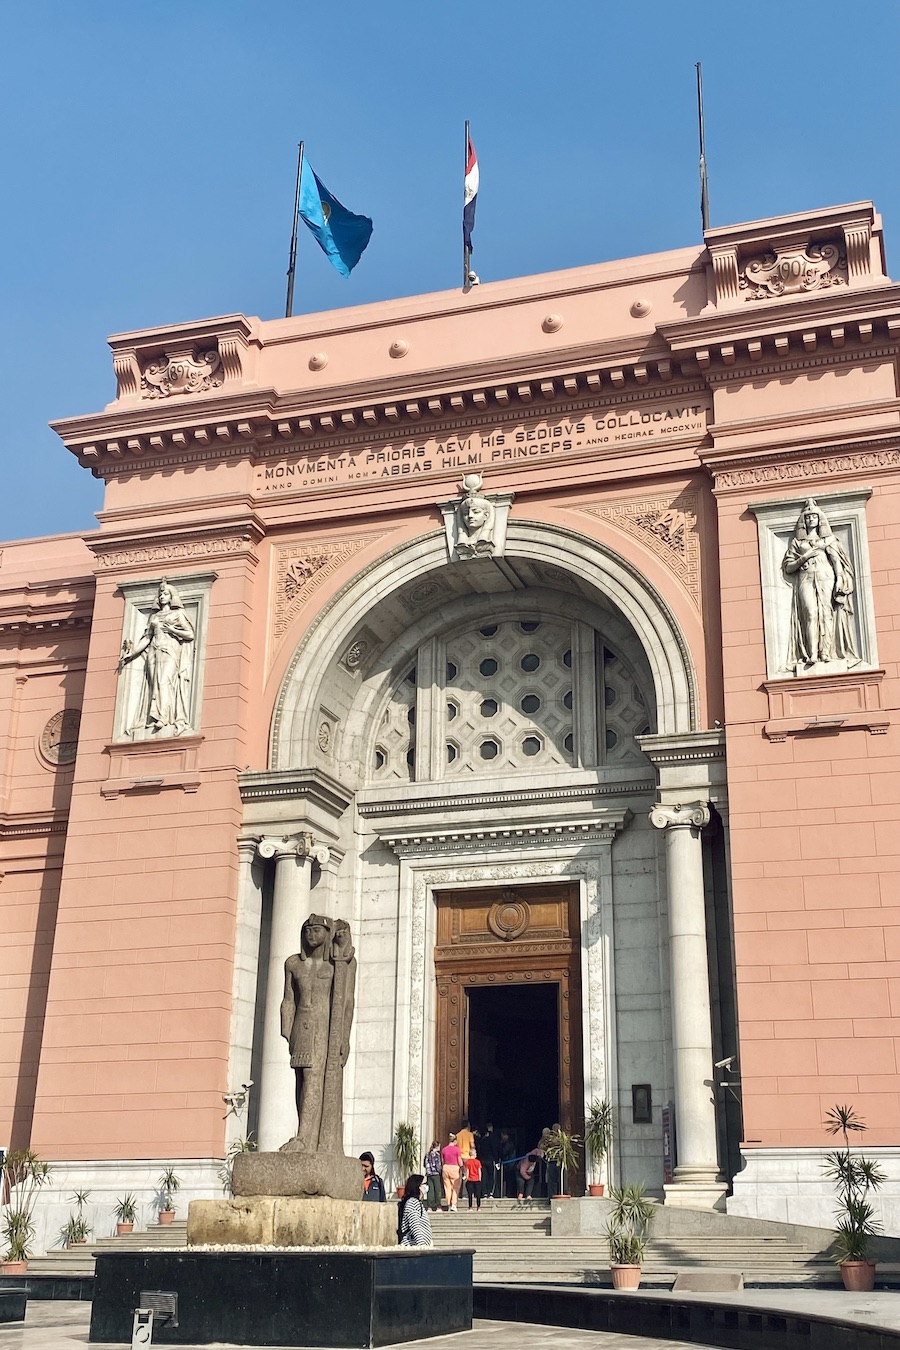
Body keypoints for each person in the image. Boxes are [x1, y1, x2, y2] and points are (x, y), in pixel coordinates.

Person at [281, 915, 356, 1151]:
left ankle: (303, 1138)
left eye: (317, 931)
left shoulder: (337, 966)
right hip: (301, 1026)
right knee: (301, 1079)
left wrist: (344, 1036)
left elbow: (346, 1002)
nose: (311, 936)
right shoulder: (293, 964)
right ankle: (305, 1133)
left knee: (314, 1076)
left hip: (324, 1028)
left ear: (327, 934)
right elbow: (288, 1000)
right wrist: (286, 1031)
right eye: (307, 931)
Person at [782, 498, 857, 668]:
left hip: (826, 576)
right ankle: (812, 653)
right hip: (805, 578)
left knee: (826, 612)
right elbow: (789, 567)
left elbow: (836, 561)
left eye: (814, 517)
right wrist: (805, 557)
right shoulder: (797, 543)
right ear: (804, 520)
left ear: (819, 519)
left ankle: (826, 651)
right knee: (810, 613)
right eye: (807, 517)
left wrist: (839, 579)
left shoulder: (829, 540)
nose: (810, 520)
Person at [117, 578, 195, 737]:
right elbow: (146, 638)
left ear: (172, 596)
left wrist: (173, 630)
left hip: (170, 650)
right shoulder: (154, 617)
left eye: (165, 593)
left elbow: (190, 634)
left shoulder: (177, 614)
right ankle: (153, 717)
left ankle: (164, 717)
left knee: (164, 682)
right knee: (154, 685)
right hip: (154, 651)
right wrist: (132, 653)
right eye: (160, 594)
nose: (162, 596)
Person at [397, 1174, 433, 1246]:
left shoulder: (417, 1202)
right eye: (424, 1184)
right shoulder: (412, 1202)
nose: (426, 1186)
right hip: (413, 1246)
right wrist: (422, 1245)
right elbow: (415, 1225)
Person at [476, 1122, 500, 1200]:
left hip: (482, 1160)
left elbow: (479, 1150)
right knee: (491, 1177)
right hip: (490, 1160)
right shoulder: (493, 1138)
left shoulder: (481, 1139)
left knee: (484, 1177)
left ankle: (484, 1193)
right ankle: (491, 1193)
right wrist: (497, 1161)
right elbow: (495, 1150)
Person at [441, 1131, 462, 1212]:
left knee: (447, 1187)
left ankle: (448, 1204)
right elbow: (459, 1161)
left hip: (446, 1167)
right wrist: (462, 1167)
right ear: (455, 1141)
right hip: (454, 1168)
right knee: (455, 1187)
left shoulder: (444, 1149)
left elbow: (442, 1160)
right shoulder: (457, 1150)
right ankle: (453, 1204)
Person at [423, 1140, 442, 1212]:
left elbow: (424, 1164)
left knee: (430, 1190)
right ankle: (438, 1206)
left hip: (429, 1174)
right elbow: (438, 1165)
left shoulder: (427, 1154)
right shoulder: (437, 1155)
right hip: (435, 1174)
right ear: (437, 1146)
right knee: (437, 1190)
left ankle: (429, 1206)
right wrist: (439, 1171)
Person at [498, 1130, 515, 1198]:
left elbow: (504, 1152)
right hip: (510, 1163)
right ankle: (506, 1193)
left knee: (508, 1180)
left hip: (509, 1163)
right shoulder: (511, 1142)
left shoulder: (508, 1143)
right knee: (507, 1180)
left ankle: (507, 1194)